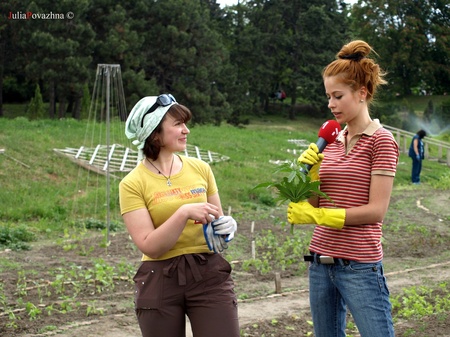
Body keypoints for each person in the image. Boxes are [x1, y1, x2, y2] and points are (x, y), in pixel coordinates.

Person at [287, 40, 399, 337]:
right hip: (320, 264)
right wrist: (310, 174)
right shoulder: (331, 142)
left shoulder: (381, 141)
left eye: (338, 96)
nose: (330, 104)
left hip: (359, 266)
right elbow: (314, 203)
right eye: (328, 97)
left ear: (362, 93)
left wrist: (322, 217)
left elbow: (377, 210)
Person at [119, 94, 240, 337]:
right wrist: (183, 212)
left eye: (185, 124)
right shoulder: (132, 183)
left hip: (208, 274)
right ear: (154, 132)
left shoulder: (200, 169)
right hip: (159, 277)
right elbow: (150, 246)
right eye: (177, 124)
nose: (186, 130)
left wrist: (227, 226)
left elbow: (216, 220)